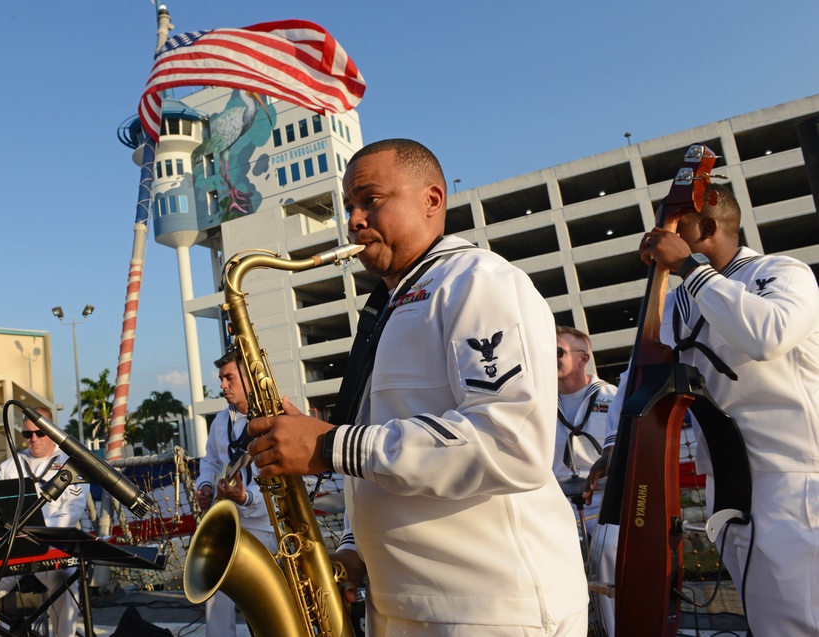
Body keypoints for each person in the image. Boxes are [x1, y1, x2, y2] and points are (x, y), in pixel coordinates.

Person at [247, 138, 588, 636]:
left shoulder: (477, 281)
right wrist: (353, 549)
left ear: (432, 200)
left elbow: (510, 442)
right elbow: (387, 453)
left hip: (491, 610)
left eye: (371, 200)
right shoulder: (391, 306)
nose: (355, 221)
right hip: (407, 605)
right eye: (349, 207)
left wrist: (327, 445)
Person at [590, 182, 819, 636]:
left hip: (796, 483)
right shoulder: (675, 302)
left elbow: (769, 334)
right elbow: (641, 374)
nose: (659, 236)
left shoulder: (780, 272)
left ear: (709, 227)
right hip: (731, 491)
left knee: (800, 621)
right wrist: (619, 444)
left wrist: (689, 269)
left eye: (674, 225)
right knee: (768, 622)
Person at [0, 406, 90, 637]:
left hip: (51, 550)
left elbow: (71, 512)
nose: (33, 439)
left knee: (65, 579)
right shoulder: (6, 468)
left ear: (52, 432)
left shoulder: (72, 465)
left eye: (40, 433)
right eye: (27, 434)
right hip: (13, 552)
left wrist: (36, 534)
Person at [195, 352, 277, 637]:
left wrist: (247, 497)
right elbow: (210, 462)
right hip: (234, 523)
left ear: (249, 379)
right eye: (221, 379)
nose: (223, 385)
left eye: (229, 378)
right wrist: (204, 486)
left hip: (269, 526)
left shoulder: (274, 418)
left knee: (268, 602)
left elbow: (281, 475)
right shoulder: (220, 421)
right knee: (215, 592)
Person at [554, 325, 618, 635]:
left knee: (609, 551)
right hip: (558, 503)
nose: (550, 358)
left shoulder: (613, 397)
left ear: (583, 358)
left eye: (558, 352)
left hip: (604, 501)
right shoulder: (539, 401)